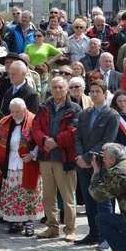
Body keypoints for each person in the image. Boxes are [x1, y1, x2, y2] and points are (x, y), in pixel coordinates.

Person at [32, 75, 82, 242]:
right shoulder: (44, 106)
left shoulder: (74, 108)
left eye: (61, 87)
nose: (58, 90)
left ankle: (70, 229)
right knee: (47, 195)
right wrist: (45, 140)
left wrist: (55, 142)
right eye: (55, 88)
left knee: (68, 196)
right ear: (50, 90)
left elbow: (73, 131)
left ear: (66, 89)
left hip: (64, 158)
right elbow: (36, 127)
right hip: (46, 157)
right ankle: (52, 227)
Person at [73, 78, 118, 248]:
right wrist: (80, 157)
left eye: (98, 91)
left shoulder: (112, 115)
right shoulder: (84, 114)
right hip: (83, 165)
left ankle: (107, 237)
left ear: (105, 94)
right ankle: (93, 233)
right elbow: (77, 136)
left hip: (101, 165)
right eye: (92, 91)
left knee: (103, 202)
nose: (94, 94)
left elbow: (107, 141)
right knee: (89, 201)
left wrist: (87, 158)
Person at [0, 98, 43, 236]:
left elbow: (39, 140)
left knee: (28, 194)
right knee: (13, 194)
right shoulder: (4, 122)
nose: (14, 114)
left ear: (25, 109)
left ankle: (28, 223)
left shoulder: (33, 120)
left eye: (17, 111)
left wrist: (32, 154)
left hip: (27, 163)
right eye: (12, 111)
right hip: (10, 163)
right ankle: (14, 221)